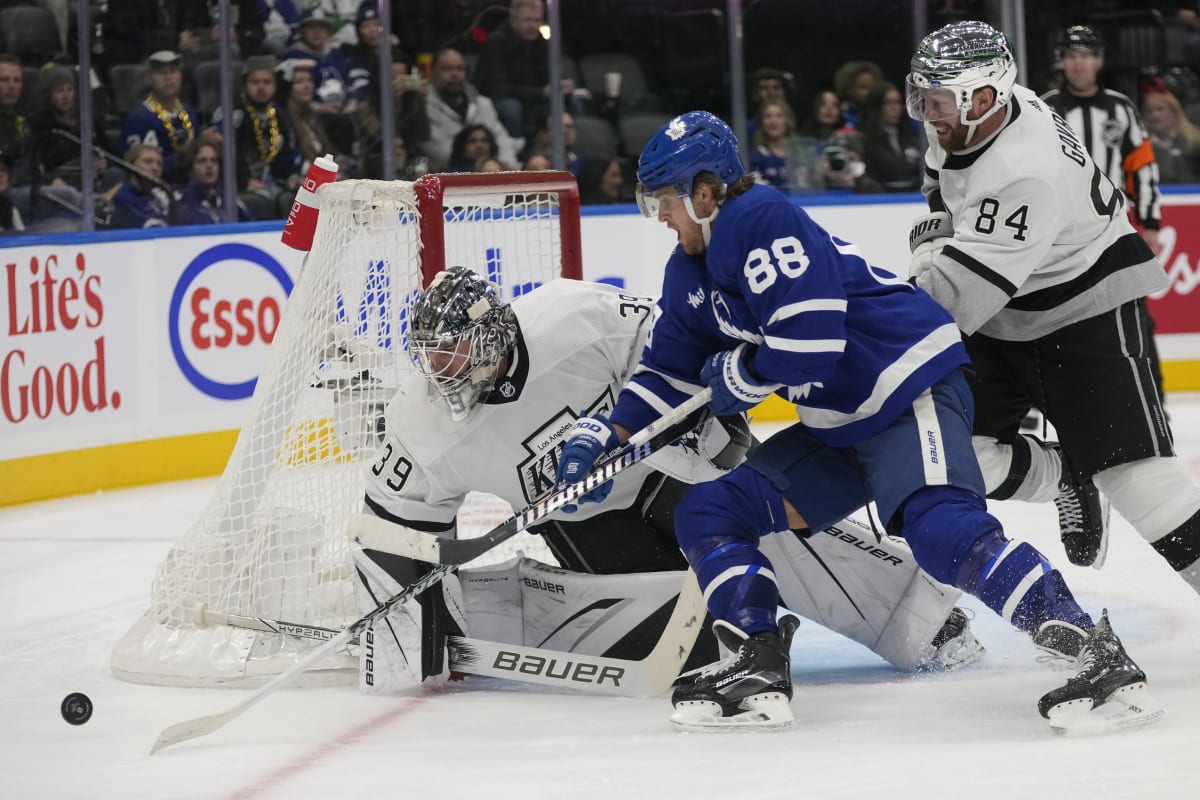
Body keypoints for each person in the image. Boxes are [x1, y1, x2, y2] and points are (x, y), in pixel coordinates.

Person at [552, 109, 1162, 733]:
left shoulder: (759, 219)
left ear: (705, 193)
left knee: (941, 532)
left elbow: (812, 340)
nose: (662, 219)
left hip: (903, 388)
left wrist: (744, 372)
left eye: (666, 202)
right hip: (839, 421)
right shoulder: (690, 272)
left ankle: (1097, 657)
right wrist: (608, 432)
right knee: (709, 512)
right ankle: (756, 661)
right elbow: (668, 373)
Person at [352, 267, 983, 692]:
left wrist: (659, 432)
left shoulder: (572, 316)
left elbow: (673, 349)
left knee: (764, 528)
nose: (442, 372)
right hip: (581, 523)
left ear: (491, 336)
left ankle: (920, 617)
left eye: (454, 353)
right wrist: (410, 625)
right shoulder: (424, 421)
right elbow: (395, 521)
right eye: (430, 356)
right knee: (684, 646)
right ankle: (740, 648)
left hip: (669, 460)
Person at [905, 21, 1200, 591]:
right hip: (1006, 300)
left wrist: (923, 256)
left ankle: (1096, 473)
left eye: (936, 99)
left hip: (1086, 308)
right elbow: (940, 191)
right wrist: (935, 242)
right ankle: (1067, 474)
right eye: (922, 95)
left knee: (1141, 482)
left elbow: (947, 307)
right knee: (948, 455)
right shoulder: (971, 118)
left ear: (983, 96)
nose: (927, 112)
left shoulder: (1021, 172)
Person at [1041, 25, 1162, 257]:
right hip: (1060, 227)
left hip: (1113, 223)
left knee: (1124, 292)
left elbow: (1141, 166)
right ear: (1062, 62)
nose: (1078, 64)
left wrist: (1150, 223)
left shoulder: (1121, 108)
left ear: (1099, 61)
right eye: (1071, 56)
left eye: (1085, 56)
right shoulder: (1045, 109)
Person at [474, 0, 585, 140]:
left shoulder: (543, 42)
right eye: (527, 20)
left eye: (537, 20)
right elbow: (500, 89)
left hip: (536, 99)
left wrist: (562, 85)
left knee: (574, 102)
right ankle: (517, 154)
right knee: (511, 108)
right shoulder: (496, 42)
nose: (533, 26)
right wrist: (542, 92)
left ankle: (575, 152)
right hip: (505, 100)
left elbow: (552, 74)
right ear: (514, 20)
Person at [213, 57, 303, 219]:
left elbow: (289, 151)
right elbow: (224, 154)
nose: (261, 87)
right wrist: (245, 181)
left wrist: (291, 176)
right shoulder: (232, 114)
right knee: (261, 203)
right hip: (239, 184)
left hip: (275, 182)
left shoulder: (281, 115)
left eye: (267, 82)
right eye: (255, 82)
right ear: (245, 85)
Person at [417, 48, 519, 172]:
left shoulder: (483, 104)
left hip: (488, 172)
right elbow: (437, 151)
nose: (455, 74)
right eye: (447, 69)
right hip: (445, 177)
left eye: (460, 69)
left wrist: (505, 168)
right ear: (432, 72)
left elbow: (502, 141)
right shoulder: (423, 106)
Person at [119, 51, 201, 187]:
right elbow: (138, 168)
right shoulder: (139, 118)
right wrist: (184, 156)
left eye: (173, 71)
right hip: (156, 188)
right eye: (161, 73)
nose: (168, 77)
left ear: (181, 76)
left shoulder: (189, 112)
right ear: (149, 79)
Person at [859, 81, 923, 192]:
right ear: (877, 107)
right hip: (882, 199)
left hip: (913, 197)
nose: (895, 108)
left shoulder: (911, 138)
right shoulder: (865, 141)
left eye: (898, 102)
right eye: (888, 103)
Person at [175, 138, 252, 224]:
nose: (209, 165)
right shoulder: (182, 202)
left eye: (214, 160)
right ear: (191, 168)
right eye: (202, 161)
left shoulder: (228, 199)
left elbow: (249, 225)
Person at [1142, 81, 1200, 184]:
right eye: (1149, 111)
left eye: (1160, 109)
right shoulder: (1141, 145)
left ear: (1174, 113)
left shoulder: (1195, 142)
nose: (1154, 116)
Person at [109, 143, 172, 228]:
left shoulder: (162, 195)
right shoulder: (123, 198)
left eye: (159, 164)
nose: (155, 168)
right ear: (130, 165)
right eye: (148, 162)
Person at [748, 100, 799, 191]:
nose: (773, 121)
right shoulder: (754, 158)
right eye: (768, 116)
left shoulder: (800, 154)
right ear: (761, 123)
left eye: (779, 116)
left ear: (787, 121)